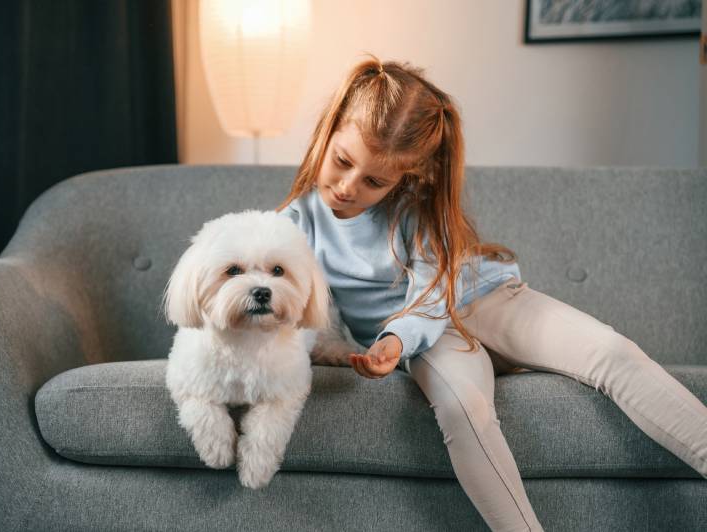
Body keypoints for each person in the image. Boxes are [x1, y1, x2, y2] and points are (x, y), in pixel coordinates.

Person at [276, 55, 707, 531]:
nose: (348, 186)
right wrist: (379, 346)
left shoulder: (416, 209)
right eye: (342, 162)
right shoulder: (292, 226)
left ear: (404, 177)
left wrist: (395, 339)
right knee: (465, 409)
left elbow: (432, 294)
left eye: (375, 181)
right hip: (431, 340)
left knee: (611, 352)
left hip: (481, 300)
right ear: (329, 130)